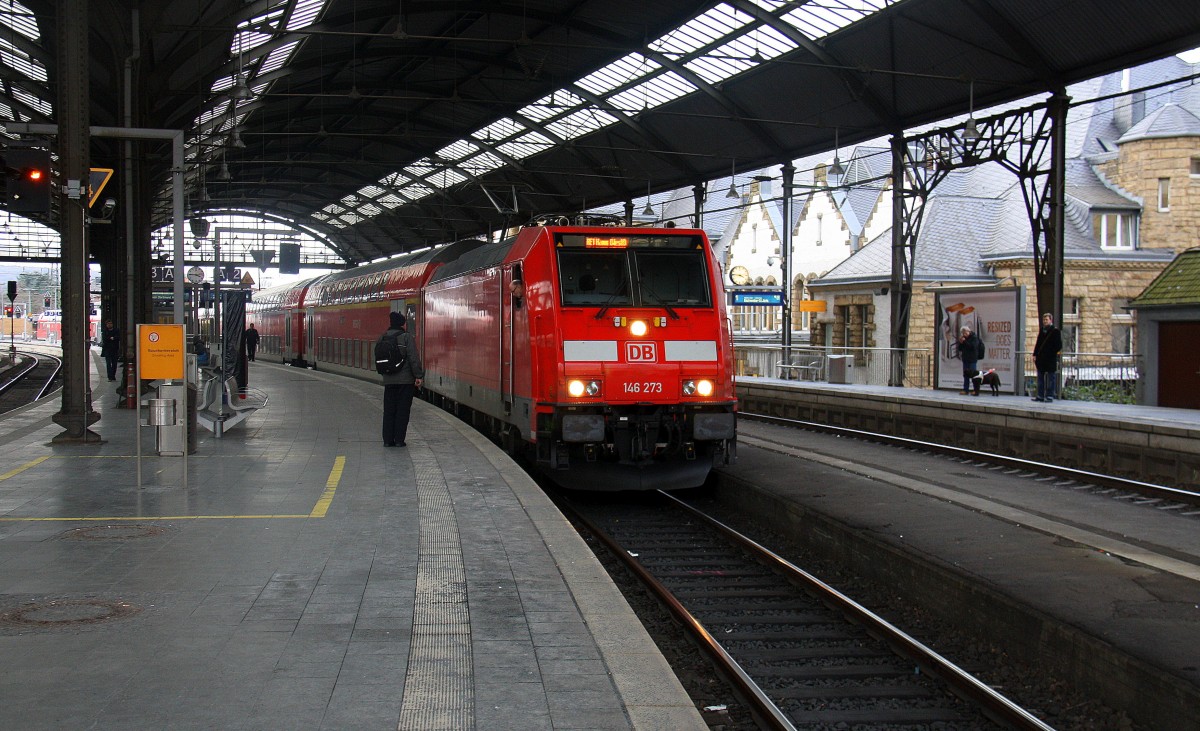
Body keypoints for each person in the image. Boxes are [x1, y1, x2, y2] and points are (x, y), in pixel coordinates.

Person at [381, 311, 423, 447]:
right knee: (402, 411)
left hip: (389, 381)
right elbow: (413, 358)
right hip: (405, 382)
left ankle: (387, 440)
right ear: (402, 324)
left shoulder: (383, 338)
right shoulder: (406, 338)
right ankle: (399, 440)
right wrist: (418, 375)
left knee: (389, 411)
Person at [1032, 312, 1063, 403]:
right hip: (1041, 358)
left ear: (1050, 320)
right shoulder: (1042, 330)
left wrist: (1051, 352)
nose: (1045, 321)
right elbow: (1038, 344)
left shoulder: (1055, 331)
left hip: (1050, 359)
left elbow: (1058, 345)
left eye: (1047, 320)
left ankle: (1050, 395)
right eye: (1044, 320)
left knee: (1051, 378)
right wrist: (1035, 354)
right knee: (1040, 378)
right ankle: (1040, 395)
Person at [957, 325, 983, 395]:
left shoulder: (974, 338)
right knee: (966, 374)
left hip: (972, 359)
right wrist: (961, 343)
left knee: (974, 375)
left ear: (968, 331)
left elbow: (973, 347)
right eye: (963, 333)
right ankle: (966, 389)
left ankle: (975, 390)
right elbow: (960, 348)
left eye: (965, 333)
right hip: (965, 359)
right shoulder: (964, 338)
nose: (964, 335)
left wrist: (965, 342)